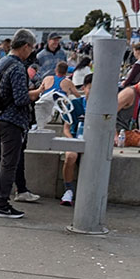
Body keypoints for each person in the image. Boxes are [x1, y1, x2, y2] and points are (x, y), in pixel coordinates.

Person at [0, 28, 38, 218]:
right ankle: (2, 204)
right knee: (8, 165)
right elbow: (21, 99)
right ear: (25, 46)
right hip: (12, 121)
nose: (31, 51)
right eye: (31, 47)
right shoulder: (17, 67)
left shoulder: (2, 62)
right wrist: (38, 92)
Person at [60, 73, 91, 206]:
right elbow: (66, 128)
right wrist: (71, 139)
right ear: (83, 88)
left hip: (93, 142)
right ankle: (68, 190)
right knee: (71, 156)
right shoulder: (75, 104)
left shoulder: (103, 108)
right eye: (90, 88)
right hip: (75, 139)